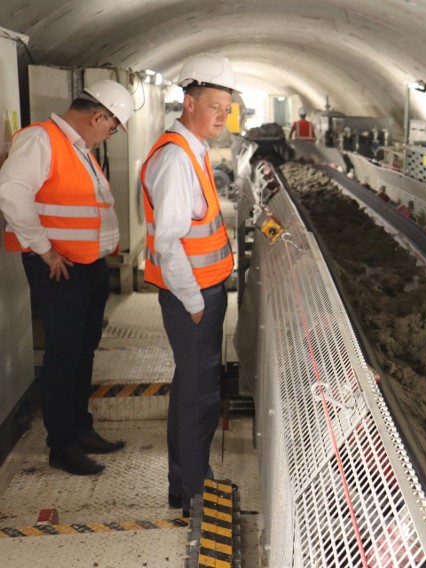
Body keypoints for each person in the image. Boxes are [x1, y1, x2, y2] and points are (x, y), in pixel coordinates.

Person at [0, 80, 134, 475]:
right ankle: (62, 446)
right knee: (62, 355)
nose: (108, 135)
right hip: (59, 267)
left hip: (85, 265)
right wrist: (44, 249)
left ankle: (80, 428)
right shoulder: (41, 140)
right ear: (97, 116)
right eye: (111, 128)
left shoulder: (77, 148)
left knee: (82, 350)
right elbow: (10, 192)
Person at [140, 53, 236, 515]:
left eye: (228, 107)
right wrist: (195, 301)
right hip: (191, 298)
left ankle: (185, 482)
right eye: (215, 104)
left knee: (190, 387)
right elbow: (168, 241)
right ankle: (197, 493)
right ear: (189, 102)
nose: (223, 114)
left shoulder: (192, 150)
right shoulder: (177, 159)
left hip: (200, 293)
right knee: (201, 393)